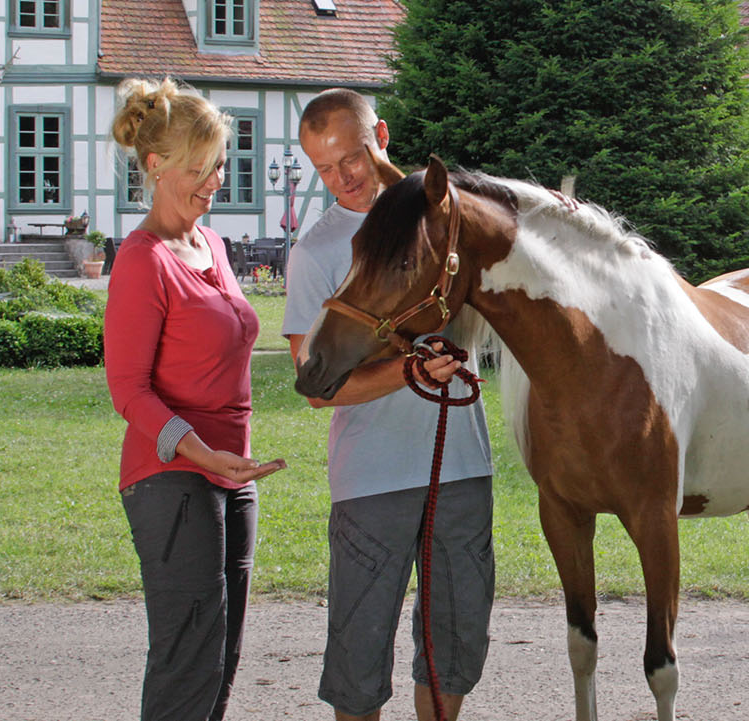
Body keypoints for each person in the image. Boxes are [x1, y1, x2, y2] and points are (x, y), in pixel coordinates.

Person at [283, 88, 495, 721]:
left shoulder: (450, 217)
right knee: (359, 654)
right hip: (370, 481)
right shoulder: (317, 250)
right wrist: (407, 372)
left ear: (381, 135)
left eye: (350, 156)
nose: (341, 178)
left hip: (462, 468)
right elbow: (315, 386)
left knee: (453, 645)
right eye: (323, 168)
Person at [105, 76, 286, 721]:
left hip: (230, 473)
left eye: (218, 167)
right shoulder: (142, 259)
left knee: (223, 655)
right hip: (171, 475)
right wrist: (198, 449)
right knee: (189, 657)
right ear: (155, 166)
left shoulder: (210, 244)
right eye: (199, 169)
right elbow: (127, 388)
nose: (214, 183)